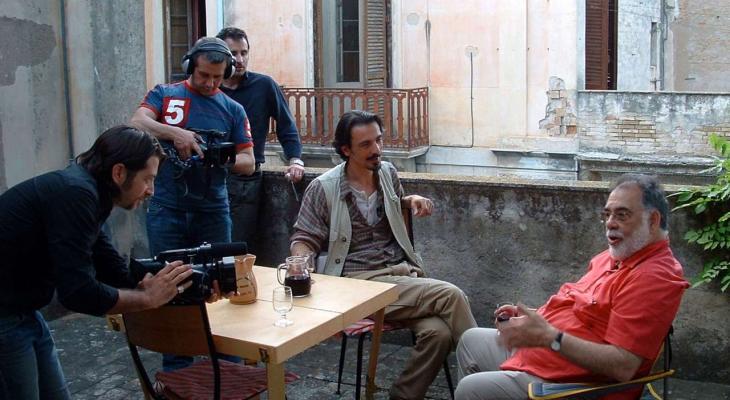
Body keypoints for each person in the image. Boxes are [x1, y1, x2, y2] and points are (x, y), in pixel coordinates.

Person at [290, 110, 477, 399]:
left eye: (378, 140)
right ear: (346, 150)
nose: (376, 149)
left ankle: (403, 395)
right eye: (365, 145)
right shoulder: (323, 188)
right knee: (450, 295)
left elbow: (390, 203)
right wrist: (300, 265)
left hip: (399, 275)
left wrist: (409, 200)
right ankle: (486, 383)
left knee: (438, 334)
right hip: (357, 285)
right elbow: (305, 237)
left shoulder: (387, 172)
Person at [455, 174, 690, 400]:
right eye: (607, 214)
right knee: (470, 340)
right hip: (544, 355)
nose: (610, 223)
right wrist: (533, 319)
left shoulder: (654, 277)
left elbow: (623, 366)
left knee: (471, 389)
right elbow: (580, 311)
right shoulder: (615, 256)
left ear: (653, 220)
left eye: (622, 215)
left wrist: (550, 337)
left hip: (569, 383)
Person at [0, 126, 194, 400]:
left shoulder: (90, 192)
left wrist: (153, 284)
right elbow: (78, 293)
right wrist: (146, 298)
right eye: (148, 179)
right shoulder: (76, 193)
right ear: (119, 173)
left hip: (24, 312)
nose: (151, 190)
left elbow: (106, 261)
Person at [130, 36, 255, 371]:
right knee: (170, 285)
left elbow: (249, 161)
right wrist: (177, 134)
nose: (210, 83)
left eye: (217, 77)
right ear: (190, 67)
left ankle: (228, 364)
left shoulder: (232, 109)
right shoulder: (165, 94)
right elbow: (137, 122)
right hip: (166, 207)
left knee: (224, 285)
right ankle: (177, 369)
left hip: (212, 210)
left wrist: (221, 158)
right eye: (203, 76)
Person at [216, 27, 304, 249]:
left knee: (238, 246)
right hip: (211, 174)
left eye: (244, 53)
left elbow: (286, 124)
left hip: (246, 178)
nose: (239, 59)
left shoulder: (263, 85)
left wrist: (295, 159)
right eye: (233, 53)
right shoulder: (210, 88)